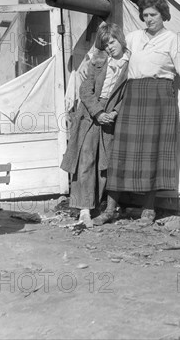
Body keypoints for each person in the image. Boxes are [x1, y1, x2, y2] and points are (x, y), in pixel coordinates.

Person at [95, 0, 180, 225]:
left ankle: (148, 209)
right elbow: (115, 55)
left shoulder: (172, 40)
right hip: (134, 94)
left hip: (160, 97)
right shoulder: (134, 38)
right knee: (122, 152)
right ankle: (110, 209)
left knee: (153, 154)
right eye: (145, 15)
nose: (148, 19)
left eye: (153, 15)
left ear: (162, 15)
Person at [61, 22, 129, 228]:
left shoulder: (132, 64)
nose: (110, 47)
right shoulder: (98, 61)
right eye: (106, 44)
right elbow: (85, 90)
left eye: (113, 41)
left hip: (112, 116)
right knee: (86, 159)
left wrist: (115, 112)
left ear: (121, 39)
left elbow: (130, 94)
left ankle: (99, 205)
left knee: (105, 164)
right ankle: (84, 210)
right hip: (91, 114)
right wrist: (98, 112)